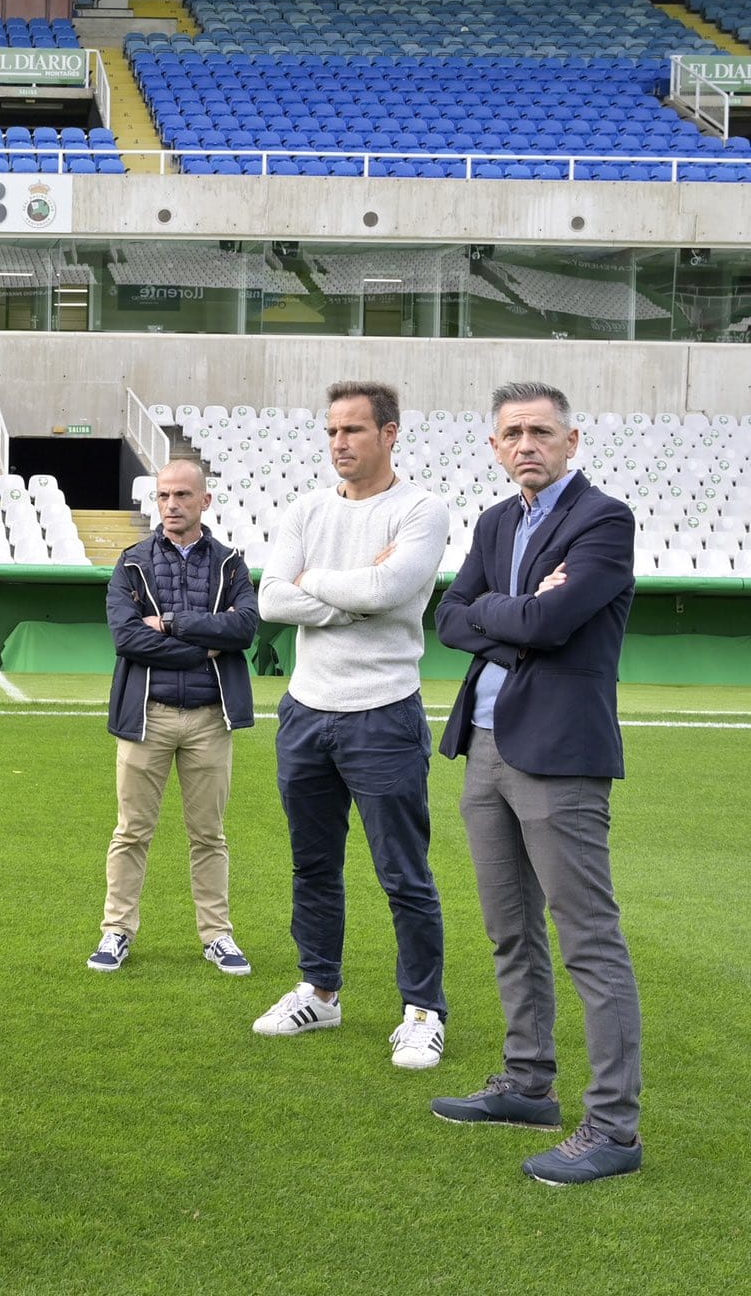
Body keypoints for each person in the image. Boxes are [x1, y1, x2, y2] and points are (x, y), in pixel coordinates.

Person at [431, 382, 644, 1185]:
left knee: (588, 941)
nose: (527, 443)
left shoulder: (602, 519)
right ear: (495, 446)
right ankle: (527, 1084)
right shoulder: (493, 521)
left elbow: (555, 625)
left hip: (560, 755)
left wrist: (499, 614)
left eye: (541, 432)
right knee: (509, 929)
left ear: (571, 439)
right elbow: (449, 619)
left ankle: (615, 1129)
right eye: (512, 433)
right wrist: (512, 609)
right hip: (484, 747)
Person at [254, 380, 451, 1070]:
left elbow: (391, 591)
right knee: (313, 865)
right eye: (333, 431)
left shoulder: (423, 509)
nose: (339, 444)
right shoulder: (305, 509)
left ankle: (423, 1010)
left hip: (384, 714)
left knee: (403, 873)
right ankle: (321, 989)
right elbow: (272, 600)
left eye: (354, 431)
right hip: (307, 711)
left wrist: (316, 583)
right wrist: (347, 594)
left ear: (389, 434)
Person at [93, 458, 259, 977]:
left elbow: (246, 629)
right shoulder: (131, 562)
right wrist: (202, 646)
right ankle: (116, 931)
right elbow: (126, 638)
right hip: (148, 718)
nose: (170, 505)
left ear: (204, 501)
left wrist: (169, 623)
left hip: (211, 719)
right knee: (131, 832)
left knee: (208, 834)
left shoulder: (231, 563)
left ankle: (217, 936)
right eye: (164, 496)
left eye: (182, 496)